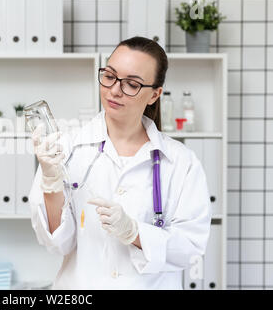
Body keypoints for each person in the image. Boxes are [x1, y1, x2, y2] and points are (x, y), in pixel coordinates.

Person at [28, 36, 212, 289]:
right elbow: (58, 244)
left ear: (154, 95)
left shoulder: (181, 162)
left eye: (131, 84)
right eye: (110, 76)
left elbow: (190, 248)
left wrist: (134, 232)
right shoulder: (67, 149)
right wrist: (51, 183)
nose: (114, 90)